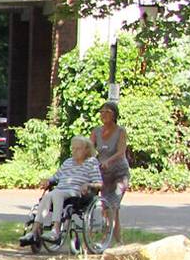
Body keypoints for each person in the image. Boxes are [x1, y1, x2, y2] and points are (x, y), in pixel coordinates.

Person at [20, 136, 102, 246]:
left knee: (56, 194)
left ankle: (56, 230)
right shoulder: (68, 162)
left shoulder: (91, 162)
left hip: (76, 192)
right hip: (60, 190)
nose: (74, 151)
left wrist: (88, 184)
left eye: (78, 149)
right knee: (48, 196)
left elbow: (99, 184)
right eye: (73, 148)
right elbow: (56, 177)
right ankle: (34, 231)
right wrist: (48, 181)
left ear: (86, 150)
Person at [94, 102, 130, 244]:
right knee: (108, 207)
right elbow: (90, 149)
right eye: (101, 112)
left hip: (119, 174)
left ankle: (105, 239)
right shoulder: (96, 131)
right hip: (103, 174)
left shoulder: (120, 131)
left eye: (107, 112)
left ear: (114, 114)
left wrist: (108, 160)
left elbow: (121, 151)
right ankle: (118, 240)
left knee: (112, 206)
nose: (103, 114)